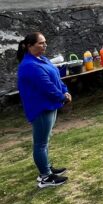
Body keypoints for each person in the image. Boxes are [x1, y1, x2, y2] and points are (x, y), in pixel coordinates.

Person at [17, 32, 71, 188]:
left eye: (45, 42)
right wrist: (63, 97)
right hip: (40, 107)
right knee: (40, 143)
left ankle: (46, 167)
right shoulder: (29, 65)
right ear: (29, 46)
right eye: (41, 43)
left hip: (50, 104)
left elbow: (55, 77)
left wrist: (64, 90)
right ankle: (45, 177)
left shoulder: (42, 59)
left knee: (45, 140)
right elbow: (46, 86)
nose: (44, 45)